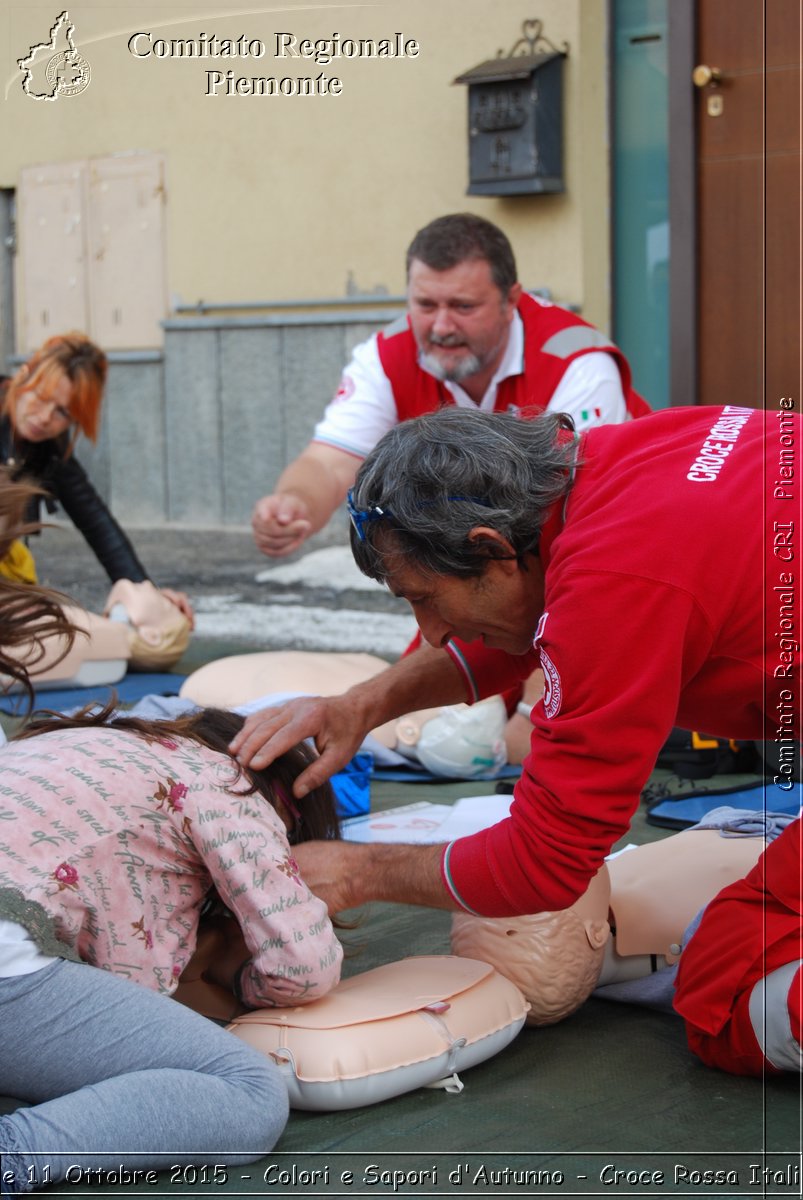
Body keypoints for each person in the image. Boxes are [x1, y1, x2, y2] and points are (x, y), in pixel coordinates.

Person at [231, 403, 800, 927]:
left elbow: (546, 860)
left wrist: (358, 872)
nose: (428, 633)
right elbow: (524, 619)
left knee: (728, 984)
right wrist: (360, 706)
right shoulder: (599, 465)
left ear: (491, 549)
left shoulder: (615, 583)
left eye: (424, 598)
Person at [0, 493, 343, 1190]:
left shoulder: (89, 742)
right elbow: (304, 966)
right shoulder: (227, 786)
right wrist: (254, 967)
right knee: (245, 1091)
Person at [251, 213, 649, 755]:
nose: (440, 326)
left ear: (512, 299)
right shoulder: (386, 355)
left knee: (526, 746)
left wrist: (538, 712)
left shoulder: (576, 360)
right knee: (430, 740)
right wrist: (291, 504)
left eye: (463, 307)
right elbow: (329, 461)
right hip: (472, 596)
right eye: (425, 305)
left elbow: (588, 550)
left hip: (576, 593)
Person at [0, 332, 193, 625]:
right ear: (24, 375)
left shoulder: (49, 449)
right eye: (41, 398)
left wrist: (144, 593)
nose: (44, 417)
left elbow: (96, 521)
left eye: (62, 412)